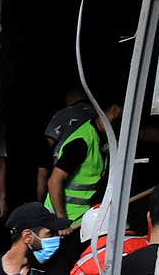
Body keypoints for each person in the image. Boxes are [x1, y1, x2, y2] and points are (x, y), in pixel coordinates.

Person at [43, 90, 120, 224]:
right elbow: (54, 182)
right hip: (64, 222)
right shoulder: (82, 142)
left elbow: (144, 133)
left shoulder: (104, 137)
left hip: (82, 219)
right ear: (115, 110)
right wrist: (61, 219)